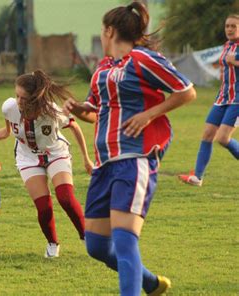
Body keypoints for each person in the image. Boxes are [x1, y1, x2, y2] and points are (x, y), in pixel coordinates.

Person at [63, 2, 196, 295]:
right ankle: (150, 283)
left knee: (124, 241)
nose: (102, 34)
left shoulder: (143, 59)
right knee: (96, 245)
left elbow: (187, 91)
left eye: (102, 29)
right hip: (104, 164)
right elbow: (96, 110)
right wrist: (79, 108)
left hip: (135, 160)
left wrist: (149, 114)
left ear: (110, 31)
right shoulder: (103, 68)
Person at [0, 69, 93, 258]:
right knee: (44, 206)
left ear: (35, 99)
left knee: (65, 197)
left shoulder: (52, 111)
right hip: (27, 157)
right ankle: (52, 243)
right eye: (17, 96)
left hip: (55, 153)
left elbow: (75, 127)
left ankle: (86, 236)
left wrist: (86, 160)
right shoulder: (9, 106)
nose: (19, 101)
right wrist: (7, 132)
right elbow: (8, 118)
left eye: (24, 98)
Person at [179, 14, 239, 186]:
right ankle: (197, 177)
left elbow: (233, 61)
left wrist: (234, 61)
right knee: (207, 135)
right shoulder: (227, 46)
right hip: (223, 97)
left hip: (237, 99)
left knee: (222, 138)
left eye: (233, 26)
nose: (229, 29)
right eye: (227, 26)